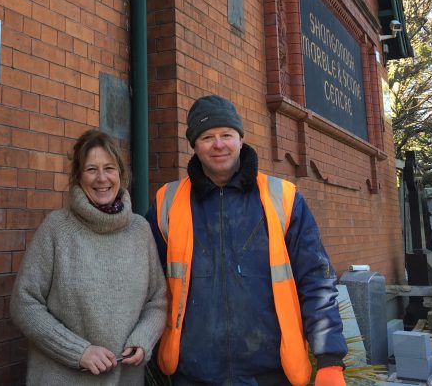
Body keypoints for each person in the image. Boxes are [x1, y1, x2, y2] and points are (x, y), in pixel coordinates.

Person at [145, 95, 347, 386]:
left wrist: (329, 360)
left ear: (240, 139)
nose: (218, 144)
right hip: (192, 374)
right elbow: (148, 285)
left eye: (226, 135)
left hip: (271, 374)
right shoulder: (167, 203)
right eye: (206, 137)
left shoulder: (283, 199)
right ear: (194, 146)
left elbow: (316, 280)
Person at [11, 129, 168, 385]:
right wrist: (78, 351)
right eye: (91, 169)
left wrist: (144, 339)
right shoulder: (57, 228)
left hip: (124, 378)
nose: (102, 178)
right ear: (78, 177)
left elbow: (157, 301)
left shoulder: (140, 230)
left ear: (120, 174)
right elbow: (24, 304)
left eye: (109, 168)